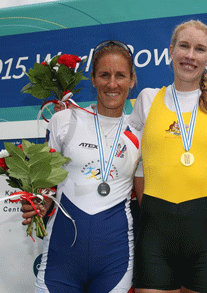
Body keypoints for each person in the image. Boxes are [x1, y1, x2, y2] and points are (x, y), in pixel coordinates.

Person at [21, 40, 141, 293]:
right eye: (104, 75)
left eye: (120, 76)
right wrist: (38, 201)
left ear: (132, 80)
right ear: (93, 79)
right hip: (61, 259)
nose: (112, 84)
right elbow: (46, 185)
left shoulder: (140, 133)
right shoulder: (63, 120)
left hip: (115, 261)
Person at [129, 20, 207, 293]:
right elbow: (132, 161)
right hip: (155, 234)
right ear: (171, 51)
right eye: (184, 46)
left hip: (206, 236)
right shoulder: (147, 99)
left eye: (200, 49)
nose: (190, 55)